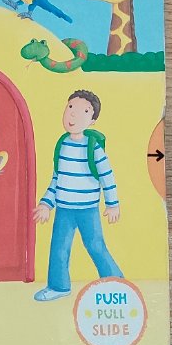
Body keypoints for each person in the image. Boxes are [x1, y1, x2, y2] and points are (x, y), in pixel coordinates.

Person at [32, 90, 122, 301]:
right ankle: (58, 286)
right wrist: (46, 204)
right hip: (64, 209)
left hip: (88, 209)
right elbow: (57, 179)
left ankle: (115, 281)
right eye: (70, 107)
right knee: (59, 248)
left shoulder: (94, 148)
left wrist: (112, 204)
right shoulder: (62, 145)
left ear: (92, 120)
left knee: (95, 246)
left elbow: (107, 176)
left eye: (84, 111)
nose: (73, 114)